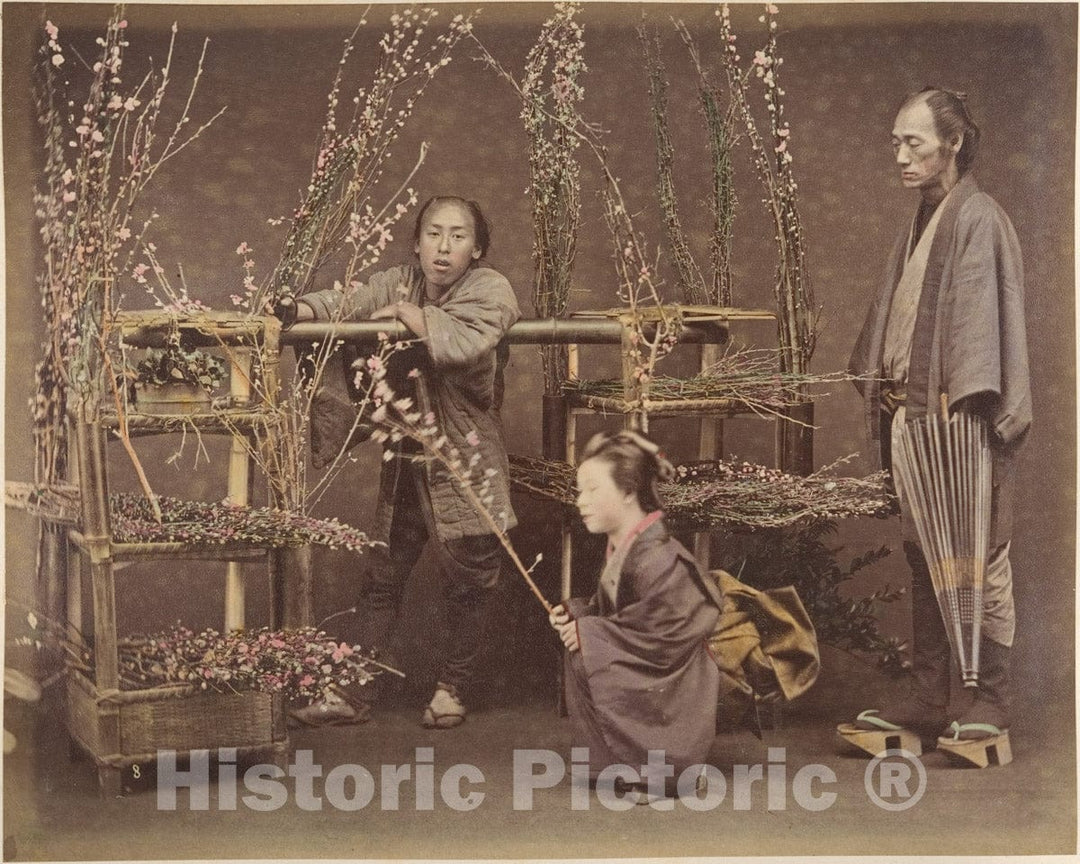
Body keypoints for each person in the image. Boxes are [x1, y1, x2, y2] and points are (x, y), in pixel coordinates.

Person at [840, 88, 1031, 766]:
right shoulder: (919, 223)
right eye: (895, 142)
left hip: (961, 416)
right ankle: (928, 696)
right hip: (913, 414)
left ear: (952, 144)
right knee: (924, 553)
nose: (899, 155)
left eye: (912, 142)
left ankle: (990, 702)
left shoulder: (979, 218)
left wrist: (961, 399)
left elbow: (984, 320)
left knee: (980, 556)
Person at [285, 195, 521, 729]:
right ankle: (351, 693)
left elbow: (463, 342)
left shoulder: (490, 289)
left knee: (470, 578)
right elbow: (346, 300)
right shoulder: (397, 281)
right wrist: (297, 310)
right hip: (408, 453)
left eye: (459, 235)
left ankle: (451, 689)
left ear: (477, 248)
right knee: (383, 577)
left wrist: (410, 316)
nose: (444, 246)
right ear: (416, 243)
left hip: (466, 454)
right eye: (433, 233)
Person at [549, 431, 724, 799]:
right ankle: (616, 761)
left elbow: (663, 636)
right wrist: (575, 613)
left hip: (674, 675)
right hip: (648, 655)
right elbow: (615, 612)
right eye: (580, 491)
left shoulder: (659, 558)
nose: (581, 502)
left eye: (593, 490)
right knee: (584, 646)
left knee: (590, 646)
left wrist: (591, 632)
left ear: (629, 492)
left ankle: (667, 770)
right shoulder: (625, 545)